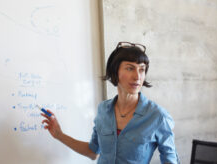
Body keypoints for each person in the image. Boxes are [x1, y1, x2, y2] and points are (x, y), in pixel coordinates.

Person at [41, 41, 180, 164]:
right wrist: (59, 135)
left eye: (142, 69)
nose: (137, 76)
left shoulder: (157, 116)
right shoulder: (103, 109)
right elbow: (92, 151)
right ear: (115, 71)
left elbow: (170, 160)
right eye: (130, 68)